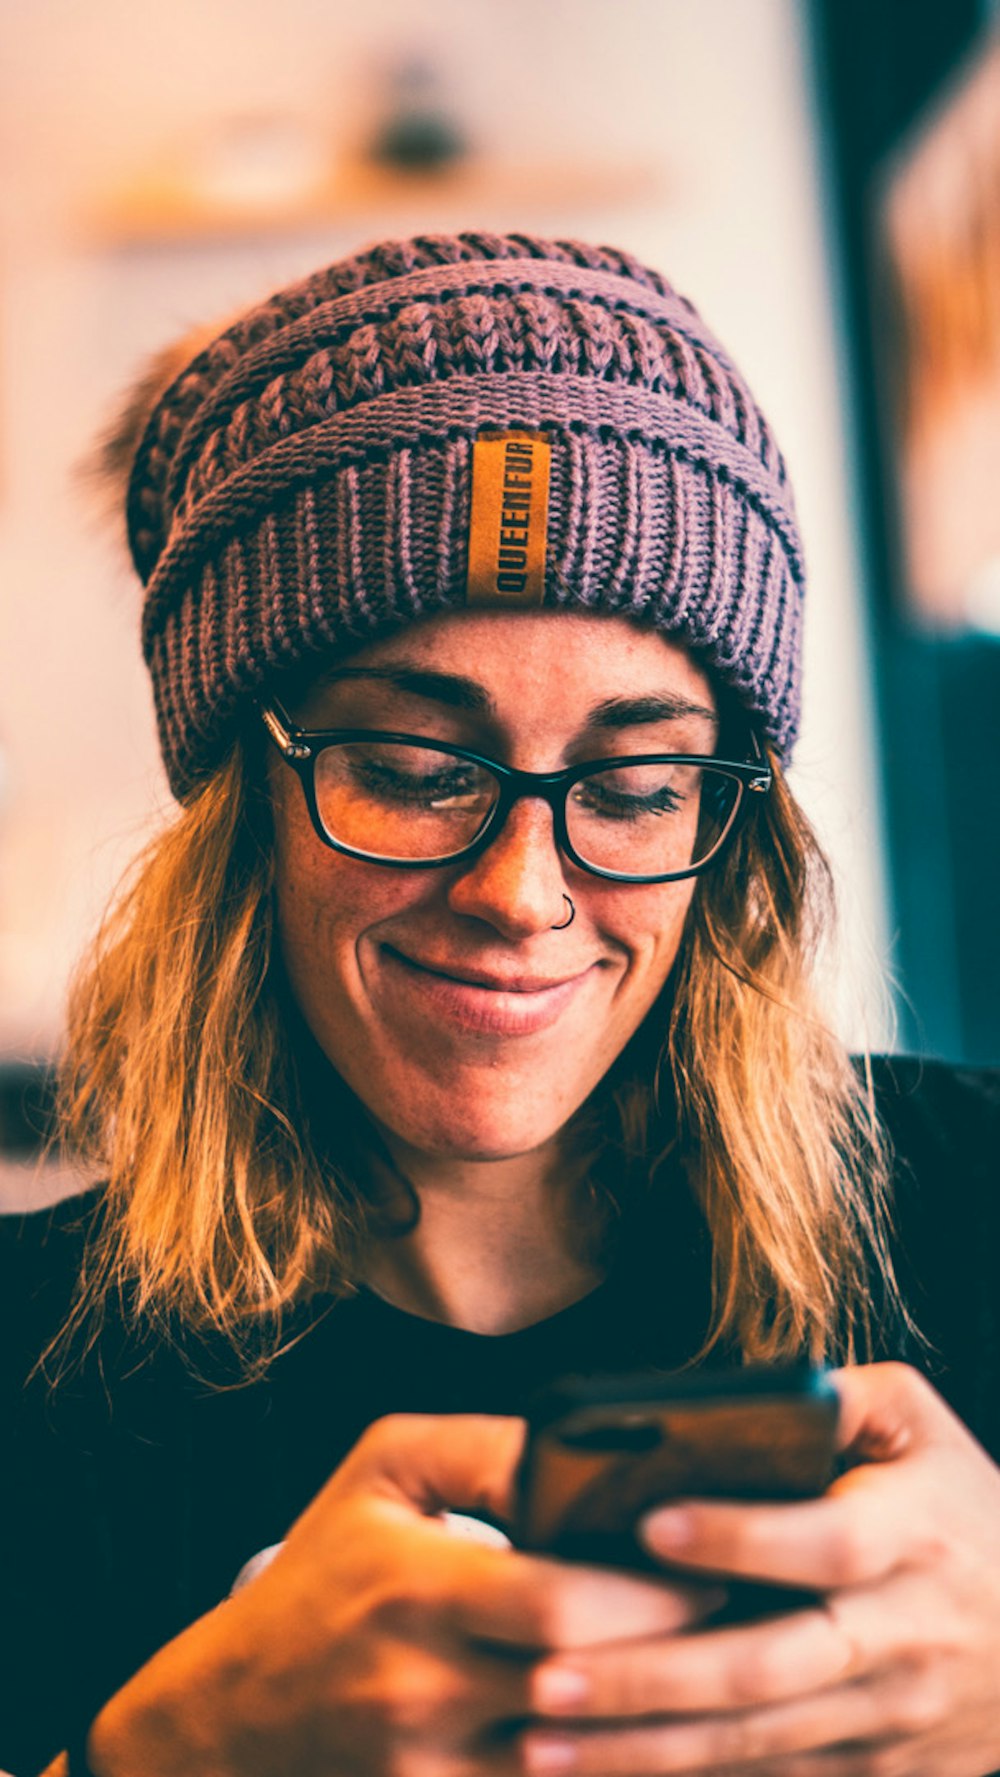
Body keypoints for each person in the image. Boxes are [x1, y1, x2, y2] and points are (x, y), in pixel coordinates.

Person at [2, 230, 999, 1777]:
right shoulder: (32, 1374)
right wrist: (162, 1757)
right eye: (414, 770)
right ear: (243, 798)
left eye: (637, 784)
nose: (524, 892)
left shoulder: (973, 1203)